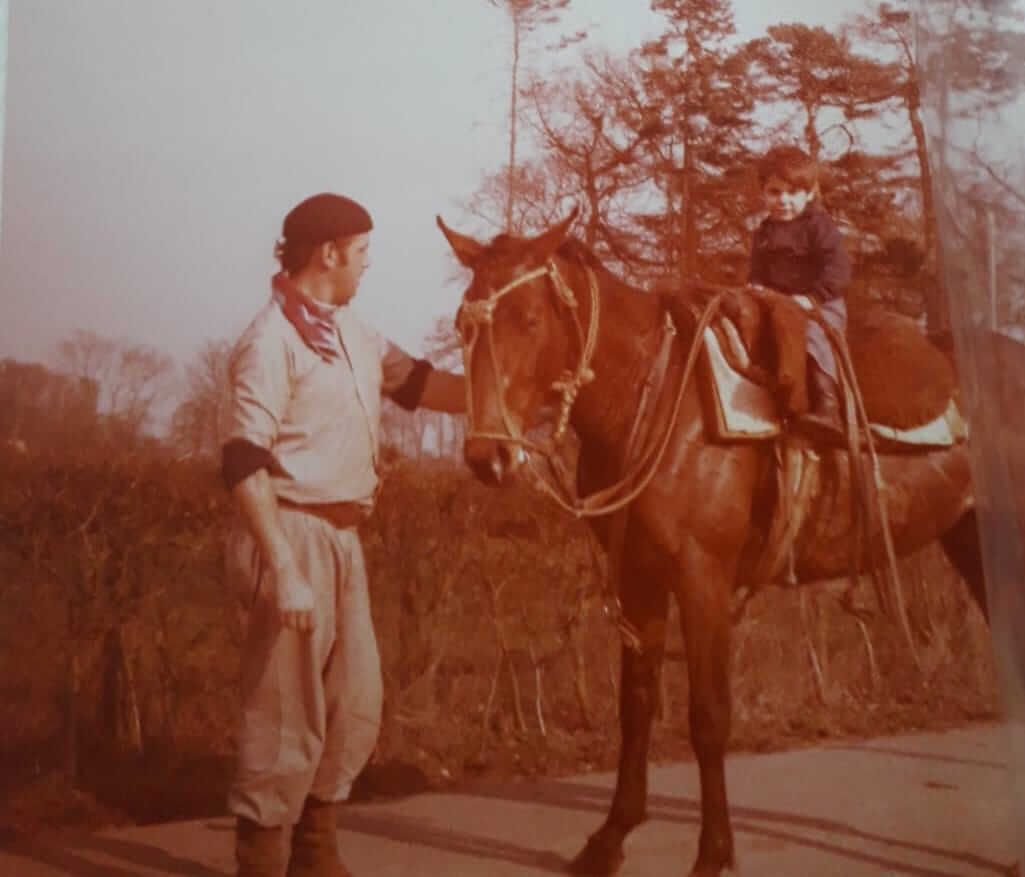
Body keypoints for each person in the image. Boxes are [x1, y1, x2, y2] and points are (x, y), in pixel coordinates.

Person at [221, 192, 464, 876]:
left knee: (353, 702)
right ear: (327, 253)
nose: (366, 267)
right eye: (361, 254)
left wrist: (513, 390)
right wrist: (283, 567)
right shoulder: (268, 341)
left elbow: (417, 384)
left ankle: (315, 852)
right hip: (288, 532)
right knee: (283, 713)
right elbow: (242, 461)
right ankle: (262, 861)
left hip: (342, 535)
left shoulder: (352, 330)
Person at [747, 144, 852, 437]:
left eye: (793, 193)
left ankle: (826, 405)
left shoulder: (818, 227)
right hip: (778, 303)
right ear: (763, 194)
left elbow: (838, 267)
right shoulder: (763, 233)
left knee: (814, 339)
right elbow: (757, 270)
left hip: (819, 303)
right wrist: (754, 287)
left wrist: (813, 298)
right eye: (775, 192)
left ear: (808, 194)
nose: (784, 201)